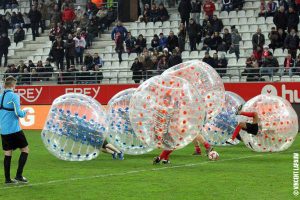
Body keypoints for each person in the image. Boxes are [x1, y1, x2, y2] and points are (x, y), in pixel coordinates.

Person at [0, 76, 29, 184]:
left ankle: (7, 179)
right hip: (14, 129)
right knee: (25, 150)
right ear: (12, 85)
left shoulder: (0, 96)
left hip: (4, 130)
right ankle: (18, 175)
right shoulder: (14, 96)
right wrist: (25, 112)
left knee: (7, 153)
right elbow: (18, 113)